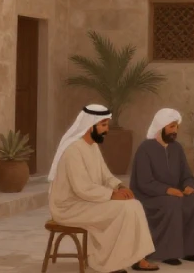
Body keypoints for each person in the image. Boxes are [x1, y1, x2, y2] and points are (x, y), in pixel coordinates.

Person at [48, 104, 157, 272]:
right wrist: (112, 195)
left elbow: (105, 175)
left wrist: (119, 186)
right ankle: (110, 263)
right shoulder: (73, 151)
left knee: (134, 205)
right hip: (69, 206)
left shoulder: (92, 146)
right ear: (91, 126)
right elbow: (81, 188)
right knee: (123, 210)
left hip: (88, 201)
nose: (106, 130)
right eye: (104, 125)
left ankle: (138, 258)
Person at [129, 108, 194, 265]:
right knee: (172, 203)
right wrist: (167, 190)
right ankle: (169, 253)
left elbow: (187, 175)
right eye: (171, 127)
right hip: (149, 197)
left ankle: (190, 250)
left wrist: (189, 185)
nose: (175, 131)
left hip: (174, 194)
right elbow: (144, 182)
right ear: (160, 127)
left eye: (176, 127)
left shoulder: (177, 148)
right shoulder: (145, 149)